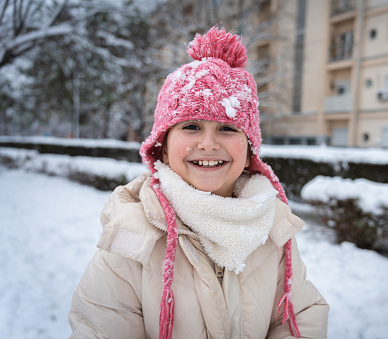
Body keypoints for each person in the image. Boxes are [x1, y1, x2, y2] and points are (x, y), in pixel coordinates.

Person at [68, 26, 329, 339]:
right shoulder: (132, 237)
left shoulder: (271, 229)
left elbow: (297, 317)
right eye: (191, 126)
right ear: (162, 148)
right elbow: (98, 329)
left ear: (249, 154)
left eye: (228, 129)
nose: (208, 143)